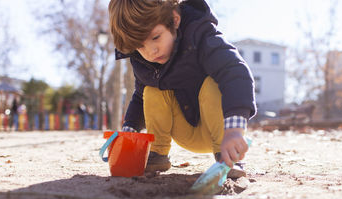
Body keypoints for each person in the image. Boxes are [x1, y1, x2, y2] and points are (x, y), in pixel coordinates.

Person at [108, 0, 256, 178]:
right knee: (151, 90)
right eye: (140, 46)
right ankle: (158, 154)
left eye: (156, 37)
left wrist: (234, 131)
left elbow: (235, 71)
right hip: (185, 131)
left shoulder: (202, 35)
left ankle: (228, 158)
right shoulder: (145, 61)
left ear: (175, 20)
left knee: (212, 83)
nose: (151, 51)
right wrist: (128, 132)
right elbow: (140, 98)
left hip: (222, 132)